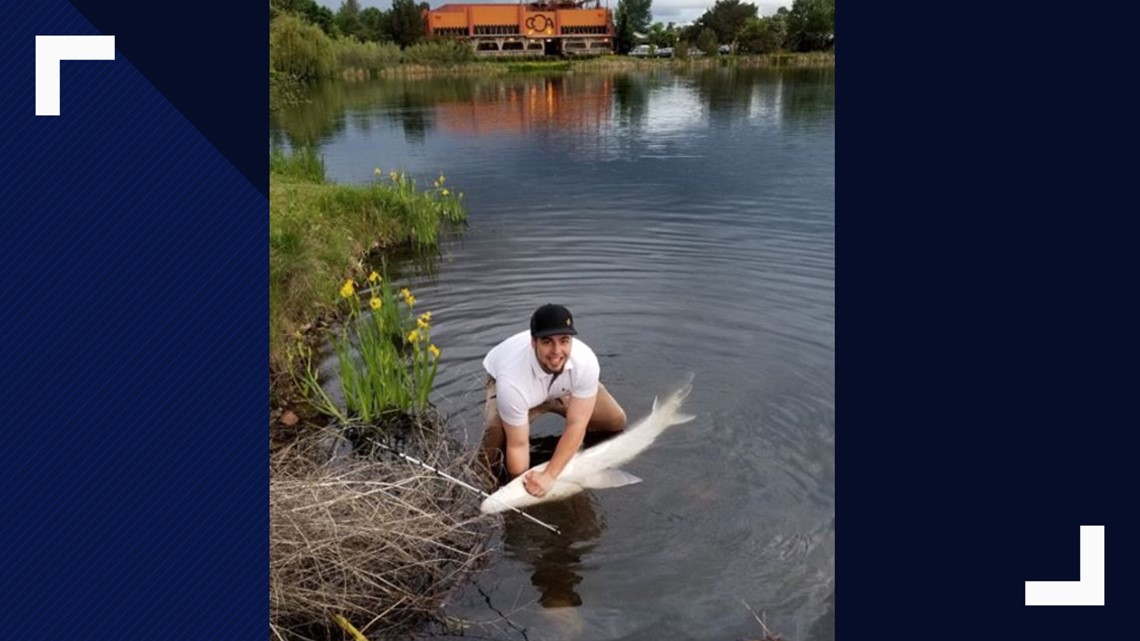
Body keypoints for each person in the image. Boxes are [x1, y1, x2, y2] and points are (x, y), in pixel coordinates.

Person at [481, 303, 627, 498]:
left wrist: (550, 475)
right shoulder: (512, 382)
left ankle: (574, 453)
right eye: (547, 341)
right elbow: (519, 445)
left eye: (564, 341)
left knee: (615, 422)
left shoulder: (585, 362)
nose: (557, 351)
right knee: (493, 449)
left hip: (562, 387)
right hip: (518, 390)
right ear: (533, 342)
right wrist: (521, 488)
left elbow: (577, 424)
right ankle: (483, 482)